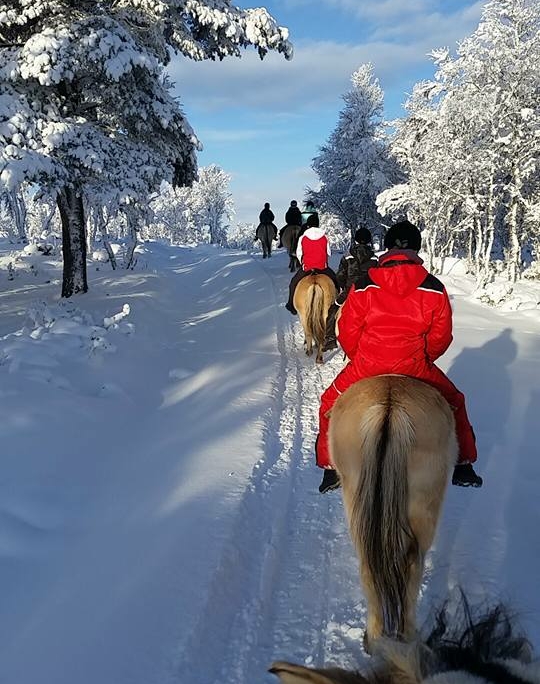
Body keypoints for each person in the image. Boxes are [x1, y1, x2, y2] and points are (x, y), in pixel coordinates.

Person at [315, 219, 483, 493]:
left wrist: (361, 356)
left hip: (366, 366)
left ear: (387, 248)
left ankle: (330, 468)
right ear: (416, 249)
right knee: (456, 401)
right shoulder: (434, 286)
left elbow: (347, 332)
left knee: (327, 403)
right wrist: (422, 358)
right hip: (415, 367)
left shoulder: (364, 284)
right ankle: (464, 464)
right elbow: (441, 336)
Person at [323, 226, 378, 351]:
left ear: (356, 240)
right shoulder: (375, 259)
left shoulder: (348, 257)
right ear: (369, 241)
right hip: (369, 294)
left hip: (350, 292)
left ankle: (330, 338)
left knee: (333, 310)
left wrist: (342, 286)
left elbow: (340, 276)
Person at [285, 214, 337, 314]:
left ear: (308, 225)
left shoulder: (303, 237)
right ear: (318, 224)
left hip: (307, 268)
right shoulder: (324, 237)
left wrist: (303, 262)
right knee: (336, 282)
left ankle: (291, 304)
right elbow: (329, 252)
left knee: (293, 283)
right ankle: (337, 303)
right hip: (323, 268)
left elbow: (299, 254)